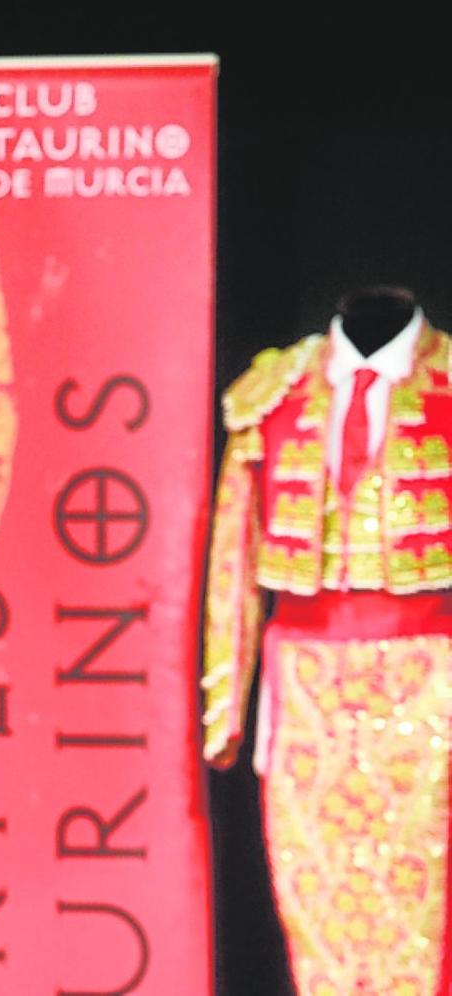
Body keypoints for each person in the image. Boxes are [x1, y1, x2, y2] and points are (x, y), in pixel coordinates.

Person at [203, 285, 452, 994]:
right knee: (313, 896)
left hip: (431, 679)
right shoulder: (275, 391)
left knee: (424, 900)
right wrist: (229, 704)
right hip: (305, 687)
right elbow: (234, 559)